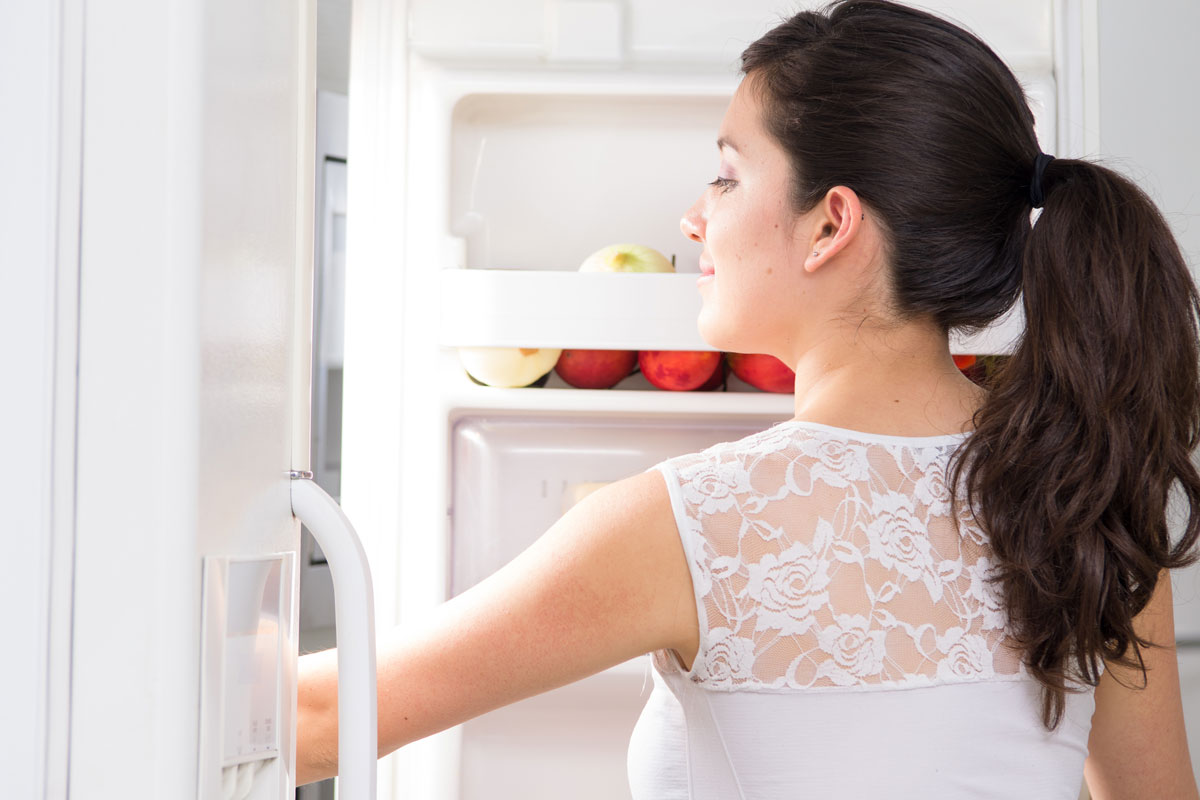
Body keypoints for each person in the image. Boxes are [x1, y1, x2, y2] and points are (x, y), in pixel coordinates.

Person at [296, 1, 1200, 796]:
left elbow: (322, 717)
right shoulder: (1086, 505)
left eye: (728, 174)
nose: (695, 217)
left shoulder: (690, 527)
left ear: (830, 224)